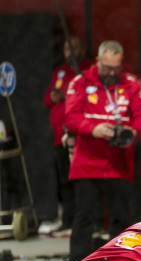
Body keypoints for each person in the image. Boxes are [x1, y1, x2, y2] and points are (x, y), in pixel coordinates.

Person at [63, 40, 141, 261]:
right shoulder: (80, 82)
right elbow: (71, 116)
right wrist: (93, 129)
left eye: (116, 68)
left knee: (120, 214)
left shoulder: (132, 84)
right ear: (98, 61)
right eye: (107, 68)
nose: (111, 73)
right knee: (85, 214)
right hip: (87, 159)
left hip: (118, 160)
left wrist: (133, 132)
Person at [44, 36, 92, 235]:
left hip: (81, 136)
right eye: (66, 48)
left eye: (73, 47)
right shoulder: (60, 72)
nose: (69, 52)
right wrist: (53, 97)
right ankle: (68, 220)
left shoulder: (87, 70)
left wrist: (66, 95)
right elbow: (47, 100)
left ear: (82, 49)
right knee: (64, 180)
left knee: (84, 181)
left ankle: (89, 221)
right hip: (59, 136)